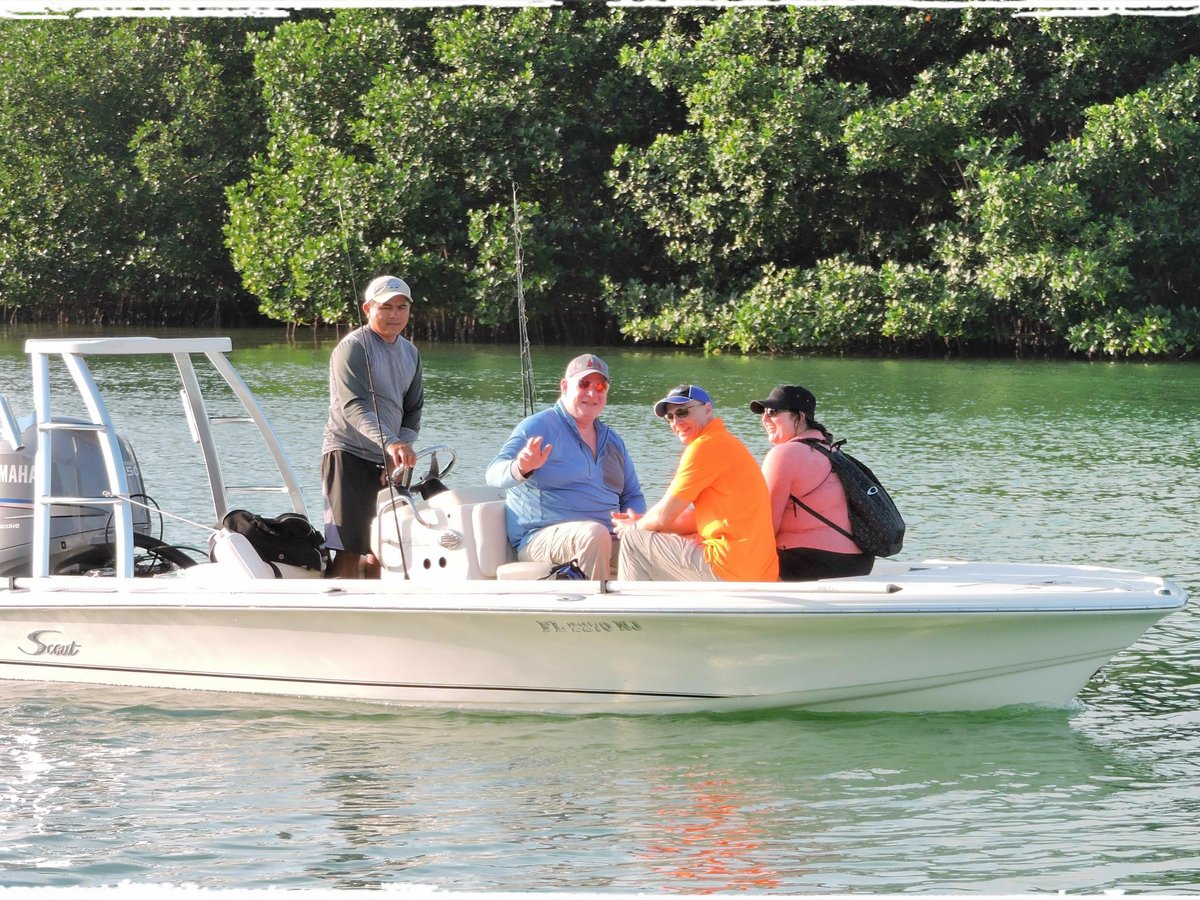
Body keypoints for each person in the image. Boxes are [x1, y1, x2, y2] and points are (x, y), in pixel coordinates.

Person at [485, 354, 645, 580]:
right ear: (564, 386)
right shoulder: (539, 426)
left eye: (599, 386)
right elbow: (493, 475)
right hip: (539, 538)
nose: (592, 393)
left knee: (656, 540)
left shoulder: (613, 441)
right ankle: (594, 612)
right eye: (583, 384)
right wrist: (520, 467)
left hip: (608, 536)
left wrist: (634, 521)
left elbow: (632, 494)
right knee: (593, 534)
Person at [614, 384, 778, 582]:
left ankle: (630, 612)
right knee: (663, 535)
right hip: (758, 570)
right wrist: (643, 520)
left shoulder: (705, 447)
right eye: (670, 417)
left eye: (682, 412)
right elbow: (693, 518)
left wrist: (633, 527)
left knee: (633, 540)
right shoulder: (726, 442)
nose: (676, 422)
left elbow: (664, 516)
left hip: (732, 567)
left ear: (708, 410)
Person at [321, 275, 424, 579]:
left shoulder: (411, 353)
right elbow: (354, 405)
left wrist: (398, 448)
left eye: (402, 307)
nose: (395, 315)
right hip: (347, 453)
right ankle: (338, 613)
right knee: (349, 547)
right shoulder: (352, 348)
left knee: (385, 545)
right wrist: (391, 444)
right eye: (386, 307)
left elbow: (413, 409)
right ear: (368, 308)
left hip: (391, 457)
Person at [750, 384, 874, 580]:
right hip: (859, 564)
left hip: (811, 563)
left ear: (799, 417)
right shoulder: (830, 450)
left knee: (700, 554)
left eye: (773, 412)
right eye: (763, 413)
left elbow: (766, 525)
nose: (764, 419)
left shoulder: (785, 454)